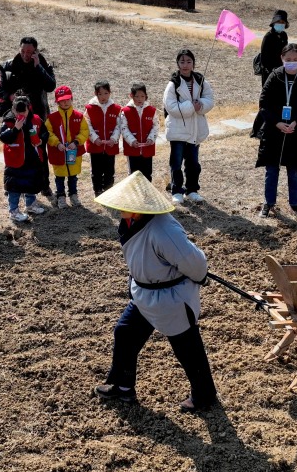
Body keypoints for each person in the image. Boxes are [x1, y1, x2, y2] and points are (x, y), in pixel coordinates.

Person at [93, 171, 218, 412]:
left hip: (171, 298)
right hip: (144, 294)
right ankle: (122, 387)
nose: (118, 209)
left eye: (123, 205)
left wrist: (199, 278)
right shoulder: (131, 221)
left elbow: (195, 263)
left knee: (187, 349)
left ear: (138, 208)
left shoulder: (163, 230)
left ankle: (204, 396)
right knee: (125, 333)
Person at [256, 43, 297, 217]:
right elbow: (263, 103)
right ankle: (268, 203)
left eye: (295, 59)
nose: (292, 62)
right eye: (288, 59)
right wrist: (276, 122)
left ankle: (295, 204)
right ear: (282, 59)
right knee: (272, 169)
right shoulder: (275, 76)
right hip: (275, 130)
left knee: (294, 169)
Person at [0, 36, 57, 195]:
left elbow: (51, 86)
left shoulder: (42, 65)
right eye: (23, 51)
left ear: (35, 51)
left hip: (37, 114)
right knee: (13, 148)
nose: (25, 54)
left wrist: (38, 67)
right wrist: (8, 96)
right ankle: (12, 185)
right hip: (14, 114)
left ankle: (43, 184)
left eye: (29, 51)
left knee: (39, 148)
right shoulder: (8, 65)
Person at [163, 49, 215, 205]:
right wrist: (190, 106)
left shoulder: (201, 81)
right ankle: (177, 190)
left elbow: (209, 100)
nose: (185, 65)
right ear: (178, 64)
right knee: (176, 162)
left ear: (193, 63)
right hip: (178, 130)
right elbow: (170, 106)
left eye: (188, 61)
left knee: (193, 162)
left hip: (195, 129)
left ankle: (192, 190)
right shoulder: (173, 84)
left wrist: (201, 105)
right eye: (182, 62)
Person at [0, 95, 48, 223]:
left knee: (31, 183)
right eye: (17, 111)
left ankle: (30, 205)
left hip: (32, 158)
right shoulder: (8, 121)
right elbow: (3, 137)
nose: (20, 114)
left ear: (29, 109)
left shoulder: (36, 120)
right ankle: (13, 210)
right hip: (15, 160)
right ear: (13, 109)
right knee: (14, 186)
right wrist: (15, 129)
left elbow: (45, 132)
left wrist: (41, 140)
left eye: (23, 111)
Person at [46, 85, 89, 208]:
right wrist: (57, 143)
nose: (65, 102)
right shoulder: (52, 118)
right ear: (57, 102)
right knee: (59, 177)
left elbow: (84, 131)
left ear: (72, 99)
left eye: (67, 99)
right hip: (58, 152)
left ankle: (73, 195)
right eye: (62, 100)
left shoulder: (79, 116)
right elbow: (48, 132)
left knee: (73, 176)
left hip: (73, 151)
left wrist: (76, 142)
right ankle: (61, 196)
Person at [85, 80, 121, 196]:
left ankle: (108, 190)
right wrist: (95, 138)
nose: (103, 97)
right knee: (96, 170)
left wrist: (114, 139)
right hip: (96, 145)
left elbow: (118, 125)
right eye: (100, 94)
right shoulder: (90, 108)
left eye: (105, 93)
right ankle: (98, 190)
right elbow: (87, 124)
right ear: (95, 94)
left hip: (110, 145)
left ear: (110, 93)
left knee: (110, 170)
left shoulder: (116, 108)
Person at [119, 82, 159, 182]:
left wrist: (151, 138)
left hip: (147, 148)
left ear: (146, 96)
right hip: (132, 149)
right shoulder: (126, 111)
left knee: (147, 173)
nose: (140, 99)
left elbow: (156, 126)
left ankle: (147, 195)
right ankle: (135, 195)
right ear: (131, 96)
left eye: (142, 96)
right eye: (137, 96)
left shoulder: (152, 110)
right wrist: (132, 141)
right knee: (134, 174)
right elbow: (123, 128)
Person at [258, 9, 289, 88]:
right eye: (278, 22)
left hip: (281, 70)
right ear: (274, 23)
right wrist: (271, 70)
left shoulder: (284, 35)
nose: (280, 24)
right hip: (269, 71)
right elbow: (264, 59)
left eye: (283, 22)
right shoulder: (268, 37)